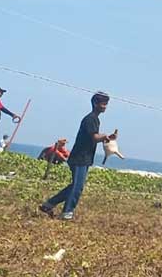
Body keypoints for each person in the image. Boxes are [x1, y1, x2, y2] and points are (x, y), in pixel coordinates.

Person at [39, 92, 115, 220]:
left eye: (106, 104)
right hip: (80, 157)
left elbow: (95, 137)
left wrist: (106, 137)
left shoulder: (94, 119)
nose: (105, 107)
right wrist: (105, 136)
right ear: (95, 104)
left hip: (83, 157)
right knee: (77, 187)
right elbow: (95, 137)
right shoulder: (90, 119)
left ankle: (49, 204)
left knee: (75, 185)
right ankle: (67, 212)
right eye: (103, 104)